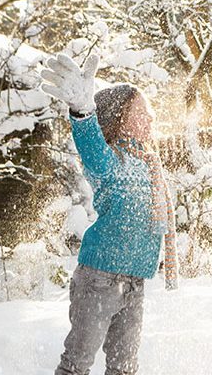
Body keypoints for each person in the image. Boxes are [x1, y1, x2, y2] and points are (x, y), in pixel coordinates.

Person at [41, 53, 179, 375]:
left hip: (134, 282)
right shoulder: (110, 162)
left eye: (150, 113)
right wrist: (82, 112)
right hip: (99, 279)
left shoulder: (148, 164)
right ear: (119, 116)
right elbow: (90, 145)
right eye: (142, 112)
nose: (151, 119)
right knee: (78, 363)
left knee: (124, 368)